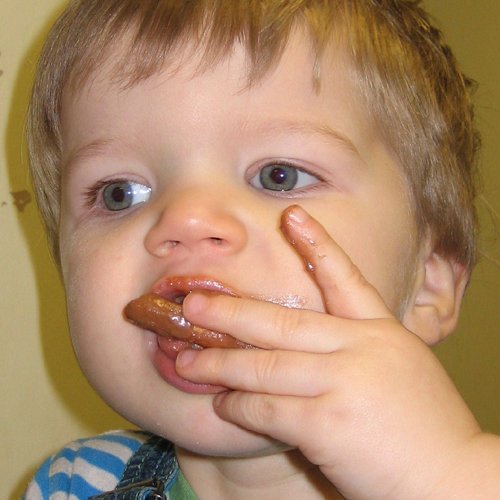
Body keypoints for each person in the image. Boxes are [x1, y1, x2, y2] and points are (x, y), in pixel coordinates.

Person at [21, 0, 500, 499]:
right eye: (120, 194)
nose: (186, 218)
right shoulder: (70, 484)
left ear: (428, 284)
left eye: (279, 176)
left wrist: (444, 476)